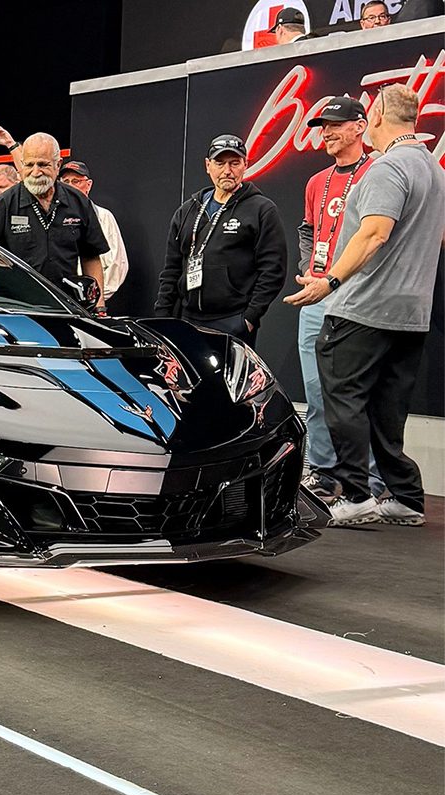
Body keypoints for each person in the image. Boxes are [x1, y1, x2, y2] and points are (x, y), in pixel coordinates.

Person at [284, 84, 445, 527]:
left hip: (364, 306)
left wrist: (330, 280)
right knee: (386, 408)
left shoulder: (388, 166)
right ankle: (406, 497)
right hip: (411, 314)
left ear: (373, 118)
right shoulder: (433, 170)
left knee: (342, 399)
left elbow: (374, 233)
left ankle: (355, 495)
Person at [293, 97, 379, 502]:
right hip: (316, 295)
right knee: (315, 390)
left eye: (335, 124)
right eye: (322, 126)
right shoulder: (316, 181)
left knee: (362, 392)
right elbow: (308, 229)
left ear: (360, 126)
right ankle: (323, 474)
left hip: (359, 293)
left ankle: (374, 481)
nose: (326, 132)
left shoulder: (379, 171)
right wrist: (308, 266)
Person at [0, 133, 109, 306]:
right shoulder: (4, 203)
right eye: (29, 165)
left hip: (63, 306)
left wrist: (99, 306)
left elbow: (91, 256)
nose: (36, 172)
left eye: (43, 164)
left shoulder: (78, 202)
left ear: (58, 164)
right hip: (15, 308)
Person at [154, 134, 286, 345]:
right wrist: (162, 318)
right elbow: (171, 269)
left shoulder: (261, 209)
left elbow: (273, 270)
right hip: (187, 319)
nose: (227, 171)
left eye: (234, 163)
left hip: (233, 321)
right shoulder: (187, 211)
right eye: (219, 163)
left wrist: (249, 318)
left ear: (245, 165)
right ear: (208, 165)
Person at [59, 160, 129, 300]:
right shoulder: (53, 218)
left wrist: (93, 298)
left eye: (76, 181)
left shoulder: (103, 217)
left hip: (91, 303)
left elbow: (117, 265)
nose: (70, 186)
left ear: (89, 185)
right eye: (66, 182)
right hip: (59, 301)